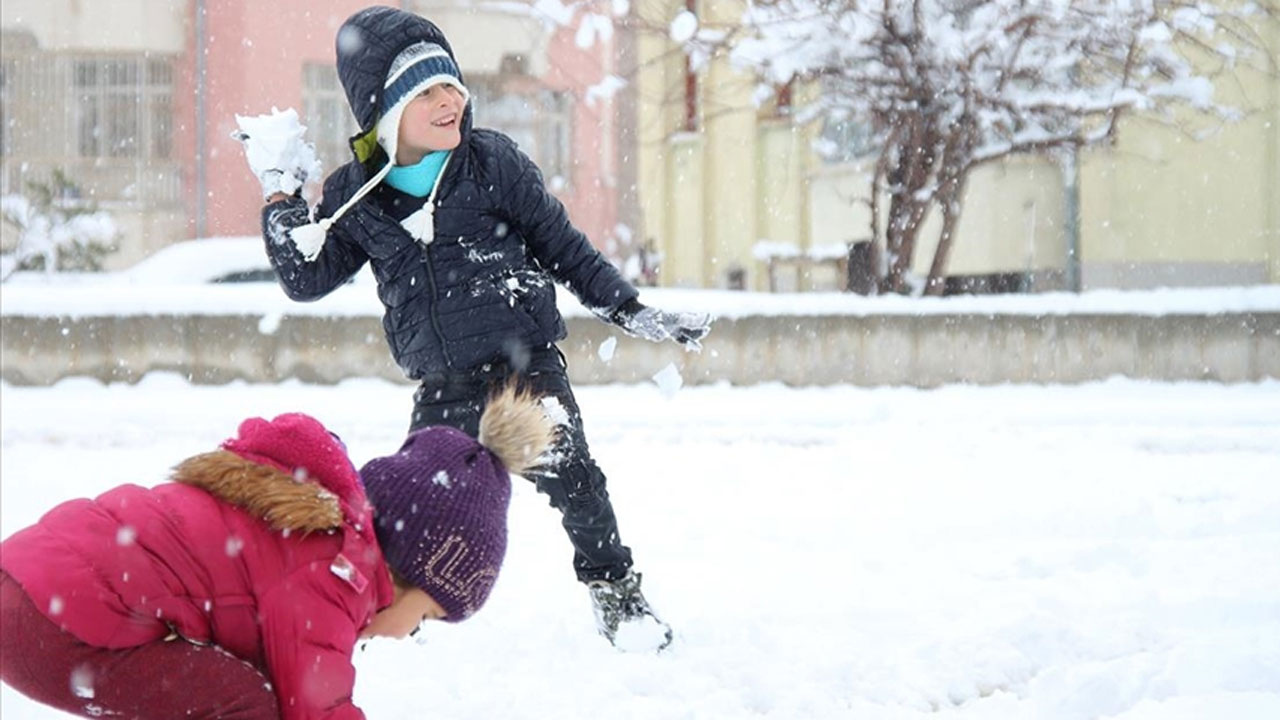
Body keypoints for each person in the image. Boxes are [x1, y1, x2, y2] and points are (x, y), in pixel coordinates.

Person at [237, 5, 710, 651]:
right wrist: (280, 197)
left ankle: (617, 595)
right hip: (443, 381)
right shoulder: (356, 194)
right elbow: (306, 278)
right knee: (406, 511)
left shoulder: (491, 163)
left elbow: (563, 247)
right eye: (426, 91)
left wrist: (630, 309)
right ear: (384, 110)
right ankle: (383, 610)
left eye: (452, 84)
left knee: (578, 485)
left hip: (524, 369)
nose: (449, 101)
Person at [0, 386, 553, 719]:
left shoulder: (314, 539)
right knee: (243, 705)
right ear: (408, 566)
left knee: (228, 690)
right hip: (48, 625)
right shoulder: (334, 572)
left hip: (29, 592)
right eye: (429, 614)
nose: (411, 632)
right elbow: (317, 708)